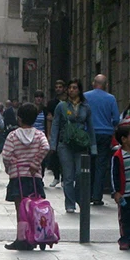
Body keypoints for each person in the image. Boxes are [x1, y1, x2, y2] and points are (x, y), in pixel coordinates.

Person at [1, 103, 50, 250]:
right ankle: (38, 234)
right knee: (36, 207)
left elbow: (6, 154)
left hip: (18, 177)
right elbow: (46, 147)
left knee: (20, 208)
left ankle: (22, 238)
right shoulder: (39, 134)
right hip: (35, 177)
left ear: (19, 118)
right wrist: (36, 163)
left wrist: (9, 166)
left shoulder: (13, 135)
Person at [50, 79, 96, 214]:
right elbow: (55, 125)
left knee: (80, 175)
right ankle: (70, 203)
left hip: (81, 145)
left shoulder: (85, 107)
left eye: (74, 88)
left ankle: (78, 197)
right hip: (65, 144)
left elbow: (91, 128)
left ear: (79, 90)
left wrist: (93, 147)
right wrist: (53, 144)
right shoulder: (61, 106)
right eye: (70, 88)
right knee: (68, 176)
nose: (71, 90)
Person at [84, 74, 121, 206]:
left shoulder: (85, 97)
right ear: (106, 85)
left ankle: (87, 195)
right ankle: (97, 196)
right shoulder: (111, 99)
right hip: (105, 134)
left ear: (94, 83)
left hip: (88, 134)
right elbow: (116, 119)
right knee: (101, 165)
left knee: (88, 164)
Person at [45, 80, 67, 187]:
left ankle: (64, 178)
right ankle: (56, 177)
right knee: (55, 155)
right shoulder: (51, 103)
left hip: (66, 132)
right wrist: (49, 134)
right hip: (55, 132)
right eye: (56, 87)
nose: (58, 89)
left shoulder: (68, 102)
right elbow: (49, 119)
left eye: (60, 87)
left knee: (65, 156)